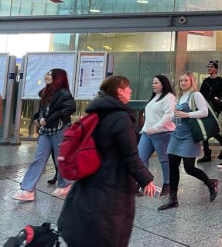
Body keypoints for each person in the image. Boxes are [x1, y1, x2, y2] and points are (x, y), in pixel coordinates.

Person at [57, 75, 156, 247]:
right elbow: (130, 155)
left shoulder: (97, 112)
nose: (130, 91)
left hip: (91, 179)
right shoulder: (121, 117)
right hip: (113, 184)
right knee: (111, 233)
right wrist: (147, 180)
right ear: (119, 91)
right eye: (128, 87)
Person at [13, 69, 75, 201]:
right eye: (47, 73)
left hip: (59, 129)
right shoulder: (45, 92)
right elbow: (42, 109)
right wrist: (39, 119)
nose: (47, 76)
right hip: (46, 130)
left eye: (51, 74)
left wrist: (53, 117)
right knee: (39, 159)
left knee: (60, 158)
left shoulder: (64, 93)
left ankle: (66, 184)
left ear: (58, 78)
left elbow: (71, 107)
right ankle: (28, 189)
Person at [158, 72, 218, 210]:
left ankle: (210, 183)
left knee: (189, 167)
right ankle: (173, 199)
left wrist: (187, 114)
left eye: (186, 80)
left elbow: (204, 112)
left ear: (191, 81)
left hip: (190, 135)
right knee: (172, 164)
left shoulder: (195, 95)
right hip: (177, 134)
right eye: (181, 81)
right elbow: (176, 117)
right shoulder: (179, 97)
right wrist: (167, 120)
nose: (183, 83)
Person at [138, 74, 177, 196]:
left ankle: (168, 184)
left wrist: (155, 128)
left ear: (163, 84)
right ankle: (144, 182)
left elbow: (169, 116)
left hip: (163, 133)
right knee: (140, 158)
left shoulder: (169, 97)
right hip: (147, 133)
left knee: (164, 160)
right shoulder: (155, 97)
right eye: (153, 83)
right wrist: (145, 129)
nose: (153, 85)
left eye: (156, 83)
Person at [197, 61, 222, 163]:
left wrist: (219, 107)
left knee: (209, 130)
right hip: (205, 107)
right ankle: (208, 153)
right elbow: (200, 95)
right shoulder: (205, 81)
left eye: (211, 67)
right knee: (206, 129)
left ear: (216, 69)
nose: (209, 68)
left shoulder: (221, 82)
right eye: (208, 67)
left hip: (214, 108)